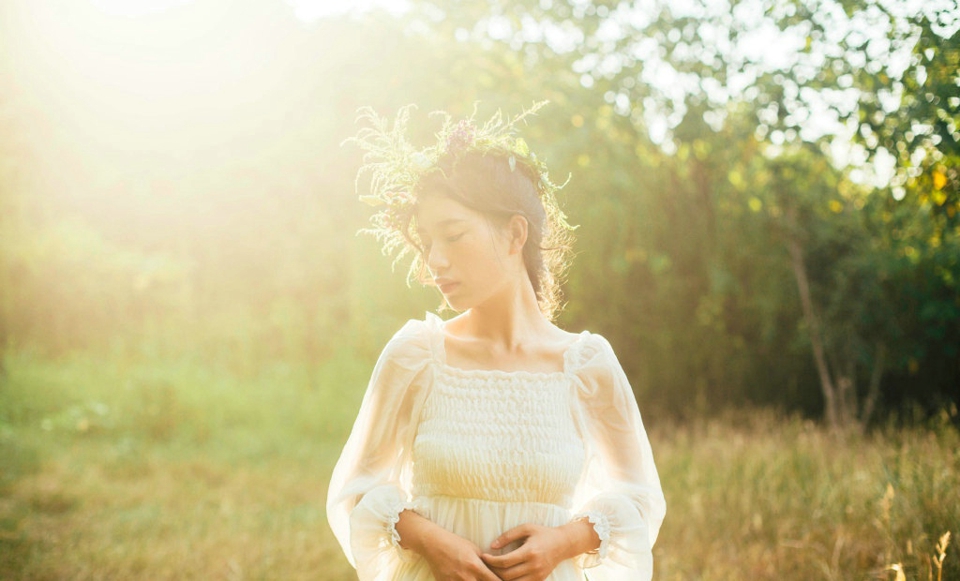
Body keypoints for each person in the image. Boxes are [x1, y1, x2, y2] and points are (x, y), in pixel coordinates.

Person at [327, 103, 666, 581]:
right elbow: (355, 491)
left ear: (514, 233)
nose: (434, 261)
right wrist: (429, 539)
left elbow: (640, 497)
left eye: (453, 235)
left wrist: (564, 541)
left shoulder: (586, 365)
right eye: (427, 242)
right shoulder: (418, 356)